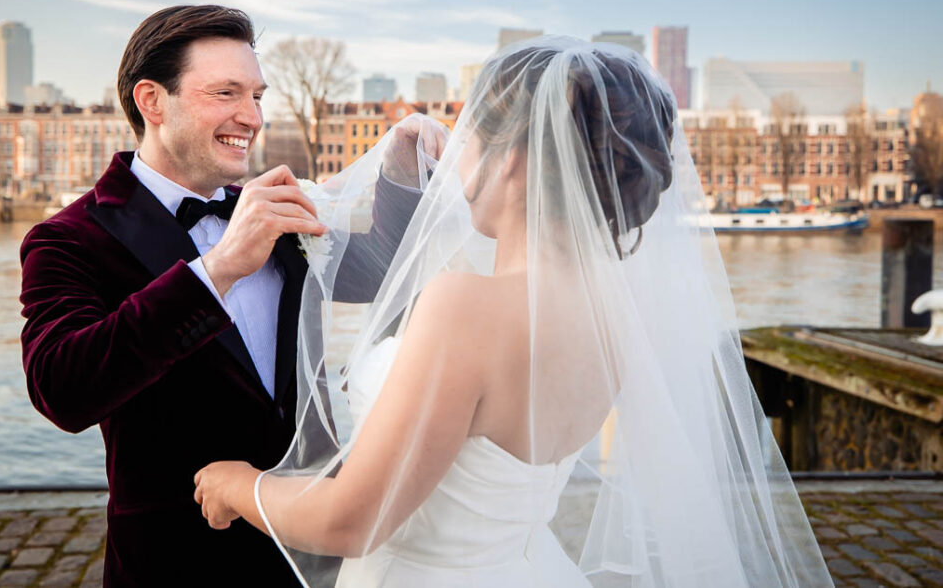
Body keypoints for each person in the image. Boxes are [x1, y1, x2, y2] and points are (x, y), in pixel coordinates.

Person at [194, 37, 834, 587]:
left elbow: (350, 520)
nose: (457, 157)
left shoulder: (465, 307)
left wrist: (234, 484)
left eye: (472, 134)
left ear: (516, 159)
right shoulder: (617, 311)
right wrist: (394, 184)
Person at [19, 4, 441, 586]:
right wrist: (216, 270)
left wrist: (399, 173)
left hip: (310, 543)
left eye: (258, 96)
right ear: (152, 102)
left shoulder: (272, 206)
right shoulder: (70, 238)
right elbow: (61, 390)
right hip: (176, 559)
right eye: (226, 93)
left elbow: (381, 272)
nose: (251, 116)